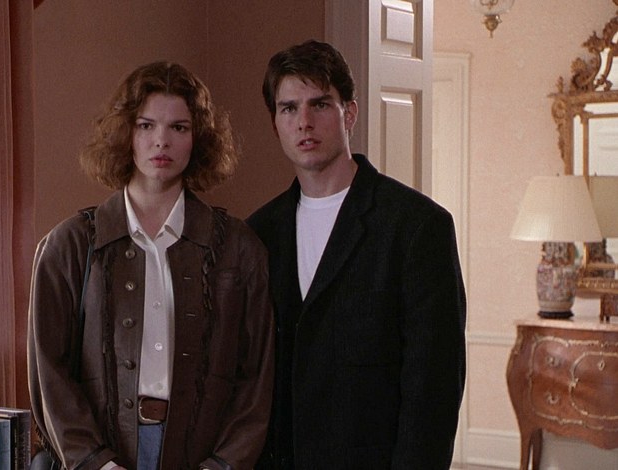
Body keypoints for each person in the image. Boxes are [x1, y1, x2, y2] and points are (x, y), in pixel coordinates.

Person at [28, 61, 275, 470]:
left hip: (204, 455)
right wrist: (97, 464)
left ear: (198, 139)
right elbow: (49, 373)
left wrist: (222, 465)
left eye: (179, 127)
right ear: (126, 133)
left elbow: (257, 380)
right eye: (146, 126)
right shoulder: (69, 245)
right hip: (102, 457)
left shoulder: (239, 248)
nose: (162, 141)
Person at [247, 40, 466, 469]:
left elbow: (433, 390)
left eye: (320, 104)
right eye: (289, 108)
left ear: (349, 113)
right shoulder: (259, 233)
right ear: (275, 124)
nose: (304, 122)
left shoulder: (417, 226)